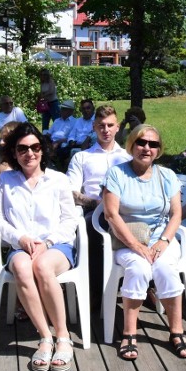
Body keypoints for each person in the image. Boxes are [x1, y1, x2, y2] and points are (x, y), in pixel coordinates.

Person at [0, 122, 80, 371]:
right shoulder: (6, 180)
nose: (30, 153)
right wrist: (21, 239)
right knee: (20, 265)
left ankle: (63, 337)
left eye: (35, 147)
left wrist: (48, 243)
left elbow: (69, 219)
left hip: (56, 245)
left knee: (41, 265)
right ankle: (45, 337)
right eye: (22, 149)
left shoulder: (58, 180)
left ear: (42, 149)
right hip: (22, 245)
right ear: (14, 153)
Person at [102, 125, 186, 360]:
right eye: (142, 143)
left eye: (153, 144)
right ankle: (129, 332)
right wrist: (137, 246)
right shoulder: (117, 174)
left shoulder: (167, 176)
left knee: (166, 268)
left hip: (161, 238)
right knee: (139, 268)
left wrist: (163, 241)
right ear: (132, 145)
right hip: (127, 238)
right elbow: (112, 215)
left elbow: (176, 215)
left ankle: (176, 330)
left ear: (159, 149)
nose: (147, 148)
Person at [67, 106, 131, 307]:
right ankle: (97, 291)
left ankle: (146, 285)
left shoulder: (128, 158)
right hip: (94, 210)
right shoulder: (82, 157)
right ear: (94, 127)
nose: (106, 130)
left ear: (118, 127)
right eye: (101, 126)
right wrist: (98, 204)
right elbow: (71, 193)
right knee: (91, 231)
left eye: (110, 125)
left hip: (125, 211)